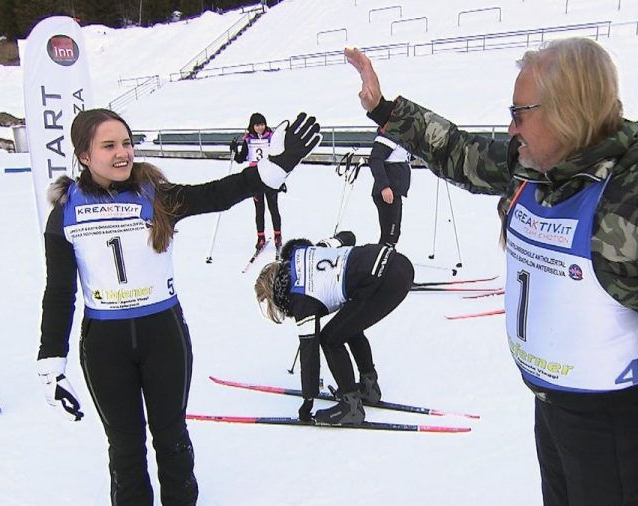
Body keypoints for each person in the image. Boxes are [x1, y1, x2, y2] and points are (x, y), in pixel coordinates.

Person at [345, 40, 638, 506]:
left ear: (568, 113)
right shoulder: (537, 167)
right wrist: (385, 109)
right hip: (554, 410)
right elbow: (459, 151)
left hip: (619, 427)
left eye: (519, 113)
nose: (511, 128)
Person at [37, 108, 320, 505]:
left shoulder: (156, 195)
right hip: (104, 345)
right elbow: (59, 291)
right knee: (124, 449)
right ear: (84, 155)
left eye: (127, 143)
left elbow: (216, 194)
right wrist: (52, 361)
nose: (123, 153)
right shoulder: (65, 212)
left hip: (162, 336)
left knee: (171, 438)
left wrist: (273, 169)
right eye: (109, 146)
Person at [254, 231, 414, 424]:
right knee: (347, 326)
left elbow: (309, 351)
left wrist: (308, 400)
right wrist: (328, 247)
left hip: (386, 281)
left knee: (330, 339)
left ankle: (351, 407)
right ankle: (369, 388)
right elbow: (349, 237)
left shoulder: (301, 299)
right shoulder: (303, 251)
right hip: (396, 262)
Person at [231, 112, 283, 253]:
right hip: (255, 178)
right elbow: (242, 158)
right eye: (257, 125)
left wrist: (280, 178)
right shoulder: (248, 140)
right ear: (252, 126)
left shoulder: (272, 138)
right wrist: (234, 151)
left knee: (273, 207)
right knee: (259, 210)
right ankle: (260, 237)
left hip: (270, 176)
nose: (260, 128)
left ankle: (278, 235)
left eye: (262, 124)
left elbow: (279, 156)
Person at [368, 130, 411, 245]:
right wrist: (384, 187)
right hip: (387, 193)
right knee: (389, 234)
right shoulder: (388, 135)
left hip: (396, 191)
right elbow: (375, 160)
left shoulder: (401, 137)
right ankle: (381, 259)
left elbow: (403, 157)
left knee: (394, 233)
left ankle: (387, 258)